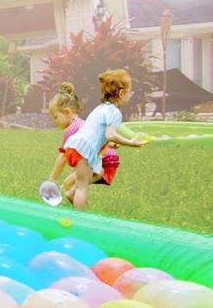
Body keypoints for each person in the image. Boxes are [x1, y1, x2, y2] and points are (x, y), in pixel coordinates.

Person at [62, 70, 146, 209]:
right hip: (83, 151)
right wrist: (131, 143)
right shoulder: (114, 112)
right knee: (82, 188)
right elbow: (110, 134)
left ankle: (72, 193)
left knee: (97, 173)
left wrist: (111, 144)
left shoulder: (100, 108)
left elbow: (97, 133)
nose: (130, 95)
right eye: (129, 92)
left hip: (75, 147)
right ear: (121, 93)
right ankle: (81, 223)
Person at [47, 82, 120, 198]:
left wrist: (52, 179)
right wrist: (111, 143)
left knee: (74, 189)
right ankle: (78, 209)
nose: (54, 122)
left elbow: (63, 157)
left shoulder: (71, 130)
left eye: (55, 117)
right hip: (109, 160)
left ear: (67, 112)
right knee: (67, 185)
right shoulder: (82, 123)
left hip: (103, 163)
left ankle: (81, 211)